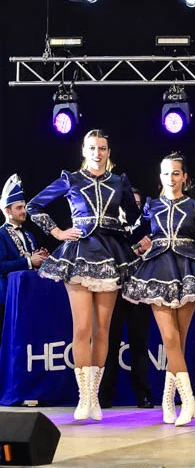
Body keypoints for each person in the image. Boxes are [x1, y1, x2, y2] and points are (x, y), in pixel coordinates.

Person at [27, 130, 147, 422]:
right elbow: (34, 206)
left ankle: (94, 394)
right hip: (79, 253)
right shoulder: (71, 179)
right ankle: (84, 396)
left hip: (110, 254)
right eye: (92, 148)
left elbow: (135, 219)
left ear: (108, 152)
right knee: (82, 327)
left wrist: (133, 232)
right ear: (84, 150)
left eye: (102, 148)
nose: (97, 152)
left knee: (102, 329)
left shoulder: (119, 181)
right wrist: (57, 232)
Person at [121, 153, 195, 426]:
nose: (170, 178)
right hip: (157, 271)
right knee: (169, 338)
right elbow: (133, 233)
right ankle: (188, 400)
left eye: (176, 173)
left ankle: (168, 400)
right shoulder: (152, 206)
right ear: (160, 176)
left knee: (179, 342)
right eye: (166, 173)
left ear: (185, 177)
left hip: (187, 270)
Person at [100, 186, 155, 409]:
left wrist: (145, 250)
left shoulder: (146, 227)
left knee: (139, 344)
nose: (131, 208)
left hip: (138, 292)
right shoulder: (109, 228)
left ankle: (143, 395)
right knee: (109, 343)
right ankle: (104, 395)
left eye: (136, 204)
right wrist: (135, 250)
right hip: (112, 290)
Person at [0, 175, 47, 334]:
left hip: (30, 295)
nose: (24, 211)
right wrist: (29, 261)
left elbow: (31, 260)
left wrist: (40, 258)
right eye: (19, 208)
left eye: (24, 207)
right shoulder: (1, 234)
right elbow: (1, 266)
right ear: (7, 211)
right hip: (8, 298)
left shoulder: (29, 235)